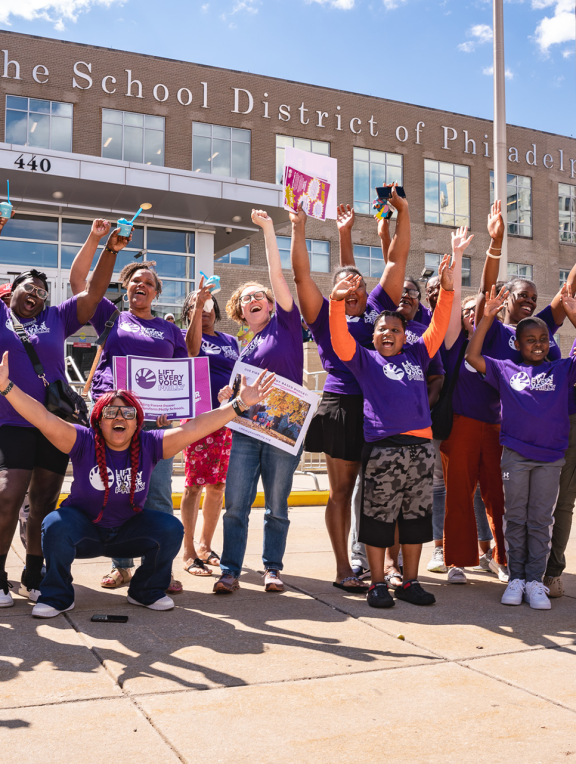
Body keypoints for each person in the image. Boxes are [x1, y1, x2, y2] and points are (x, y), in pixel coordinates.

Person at [0, 348, 273, 617]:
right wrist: (6, 387)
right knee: (54, 524)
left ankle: (145, 591)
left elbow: (195, 427)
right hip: (84, 532)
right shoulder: (82, 440)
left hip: (128, 533)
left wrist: (239, 405)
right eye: (111, 413)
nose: (120, 418)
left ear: (137, 423)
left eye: (128, 414)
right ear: (98, 420)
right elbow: (42, 417)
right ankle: (58, 596)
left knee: (169, 528)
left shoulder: (150, 443)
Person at [0, 218, 127, 608]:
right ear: (12, 291)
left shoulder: (57, 318)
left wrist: (109, 247)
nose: (35, 293)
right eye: (28, 287)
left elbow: (94, 292)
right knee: (8, 495)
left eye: (41, 290)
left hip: (55, 424)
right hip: (11, 421)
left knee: (43, 500)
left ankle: (34, 572)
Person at [329, 253, 456, 609]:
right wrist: (337, 302)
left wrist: (446, 292)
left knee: (415, 518)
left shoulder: (417, 355)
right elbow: (339, 338)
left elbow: (439, 326)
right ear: (373, 336)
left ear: (405, 336)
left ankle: (411, 581)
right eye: (382, 329)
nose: (389, 333)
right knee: (377, 518)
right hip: (384, 448)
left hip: (419, 449)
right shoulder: (365, 360)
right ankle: (377, 584)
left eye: (395, 330)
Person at [300, 190, 411, 591]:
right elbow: (304, 276)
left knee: (387, 491)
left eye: (359, 283)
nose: (355, 285)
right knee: (341, 492)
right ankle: (344, 569)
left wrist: (403, 213)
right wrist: (300, 229)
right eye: (345, 285)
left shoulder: (379, 306)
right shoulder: (324, 315)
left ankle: (393, 566)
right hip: (342, 406)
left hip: (384, 405)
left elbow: (396, 259)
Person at [69, 249, 189, 593]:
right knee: (115, 490)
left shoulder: (170, 330)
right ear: (126, 287)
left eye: (149, 283)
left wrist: (172, 411)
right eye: (136, 280)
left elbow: (179, 376)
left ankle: (158, 570)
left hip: (153, 424)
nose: (142, 285)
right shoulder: (111, 316)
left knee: (158, 495)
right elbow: (82, 283)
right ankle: (121, 567)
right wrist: (102, 243)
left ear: (156, 292)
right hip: (112, 419)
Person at [465, 285, 576, 610]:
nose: (539, 345)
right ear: (518, 344)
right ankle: (515, 578)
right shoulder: (505, 369)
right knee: (516, 518)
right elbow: (473, 356)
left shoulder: (561, 369)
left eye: (544, 339)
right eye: (531, 340)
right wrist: (487, 318)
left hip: (551, 458)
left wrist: (572, 315)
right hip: (515, 455)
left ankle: (534, 581)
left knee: (541, 520)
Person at [213, 209, 304, 595]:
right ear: (240, 312)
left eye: (259, 296)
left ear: (270, 306)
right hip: (247, 431)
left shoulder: (285, 325)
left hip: (282, 432)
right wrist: (227, 396)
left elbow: (279, 276)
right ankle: (230, 569)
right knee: (235, 502)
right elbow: (238, 392)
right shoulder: (244, 348)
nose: (253, 299)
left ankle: (272, 569)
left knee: (277, 506)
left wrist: (268, 229)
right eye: (245, 298)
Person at [439, 227, 508, 585]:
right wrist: (459, 254)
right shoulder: (454, 344)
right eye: (467, 312)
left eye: (476, 311)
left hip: (495, 428)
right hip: (461, 426)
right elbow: (467, 298)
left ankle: (503, 558)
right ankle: (456, 560)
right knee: (459, 496)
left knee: (498, 496)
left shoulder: (495, 341)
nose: (471, 313)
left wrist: (494, 245)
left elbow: (485, 297)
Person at [180, 283, 239, 576]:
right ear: (187, 312)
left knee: (218, 486)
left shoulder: (230, 340)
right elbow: (190, 351)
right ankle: (188, 550)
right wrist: (194, 315)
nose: (202, 309)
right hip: (199, 418)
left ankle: (205, 544)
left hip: (227, 418)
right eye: (195, 304)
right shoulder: (185, 337)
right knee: (193, 485)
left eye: (206, 304)